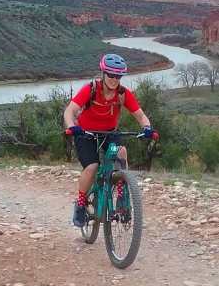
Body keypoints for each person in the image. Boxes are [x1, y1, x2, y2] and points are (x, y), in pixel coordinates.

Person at [63, 53, 155, 227]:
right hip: (85, 132)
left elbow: (141, 116)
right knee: (92, 167)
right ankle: (81, 205)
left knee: (121, 152)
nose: (114, 79)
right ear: (103, 74)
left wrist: (147, 128)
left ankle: (122, 196)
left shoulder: (123, 94)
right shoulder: (91, 89)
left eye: (118, 76)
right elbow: (69, 111)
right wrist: (71, 127)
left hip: (109, 132)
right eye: (111, 75)